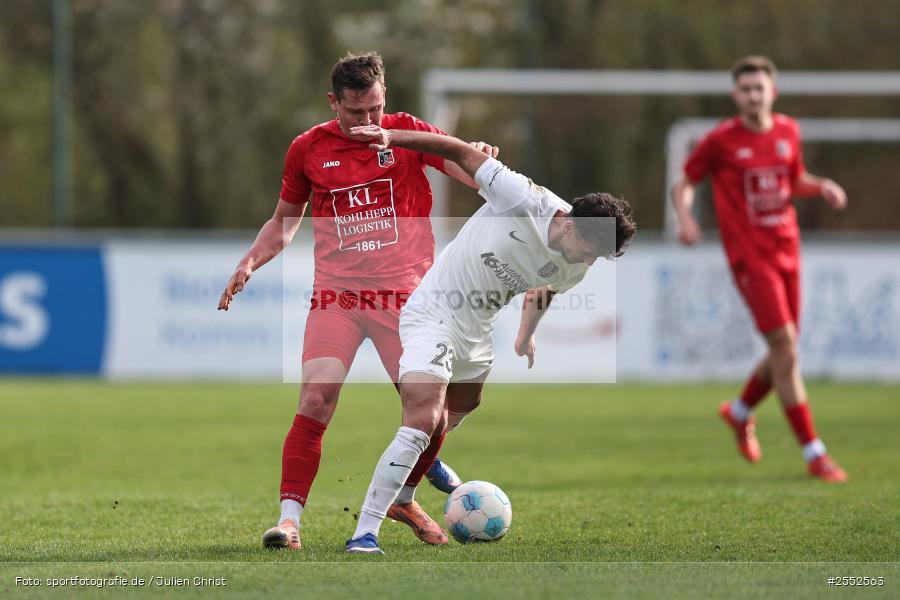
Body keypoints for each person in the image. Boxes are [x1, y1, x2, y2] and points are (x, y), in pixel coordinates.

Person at [217, 52, 499, 550]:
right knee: (315, 399)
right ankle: (289, 522)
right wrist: (249, 262)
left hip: (407, 301)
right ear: (334, 103)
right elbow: (283, 222)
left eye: (375, 109)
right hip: (338, 297)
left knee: (429, 413)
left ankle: (405, 495)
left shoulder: (407, 132)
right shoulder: (307, 148)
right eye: (356, 112)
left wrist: (479, 158)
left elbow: (468, 173)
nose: (368, 123)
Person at [342, 123, 637, 554]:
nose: (591, 262)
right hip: (435, 312)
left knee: (462, 407)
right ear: (571, 226)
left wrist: (525, 336)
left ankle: (422, 463)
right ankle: (365, 532)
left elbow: (543, 288)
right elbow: (456, 150)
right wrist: (392, 137)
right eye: (591, 251)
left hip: (477, 328)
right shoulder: (521, 197)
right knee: (423, 419)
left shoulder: (578, 263)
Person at [670, 55, 848, 483]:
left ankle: (740, 410)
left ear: (773, 91)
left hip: (789, 249)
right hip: (751, 258)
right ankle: (814, 452)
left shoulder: (789, 130)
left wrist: (819, 186)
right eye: (745, 89)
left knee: (783, 351)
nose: (753, 95)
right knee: (786, 346)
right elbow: (686, 183)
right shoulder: (721, 140)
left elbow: (794, 180)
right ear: (736, 95)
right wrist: (687, 217)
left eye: (759, 88)